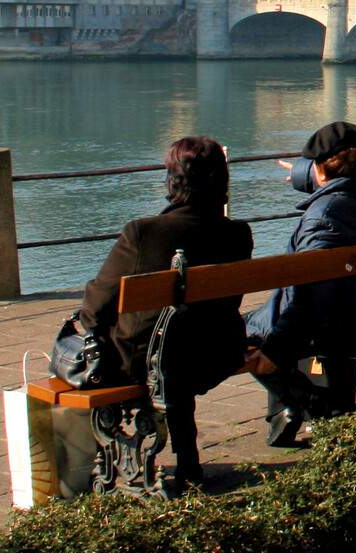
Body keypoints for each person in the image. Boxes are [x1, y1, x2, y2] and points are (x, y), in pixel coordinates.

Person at [78, 136, 252, 490]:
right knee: (182, 339)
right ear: (222, 181)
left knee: (148, 342)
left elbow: (96, 305)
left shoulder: (143, 233)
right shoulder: (238, 233)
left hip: (150, 362)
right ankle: (189, 461)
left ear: (172, 181)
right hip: (217, 352)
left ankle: (108, 462)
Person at [245, 121, 356, 447]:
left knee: (246, 335)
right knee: (280, 326)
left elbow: (310, 299)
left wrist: (276, 349)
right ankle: (287, 411)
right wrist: (307, 173)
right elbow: (335, 181)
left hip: (332, 322)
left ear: (322, 171)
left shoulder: (324, 214)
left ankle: (313, 408)